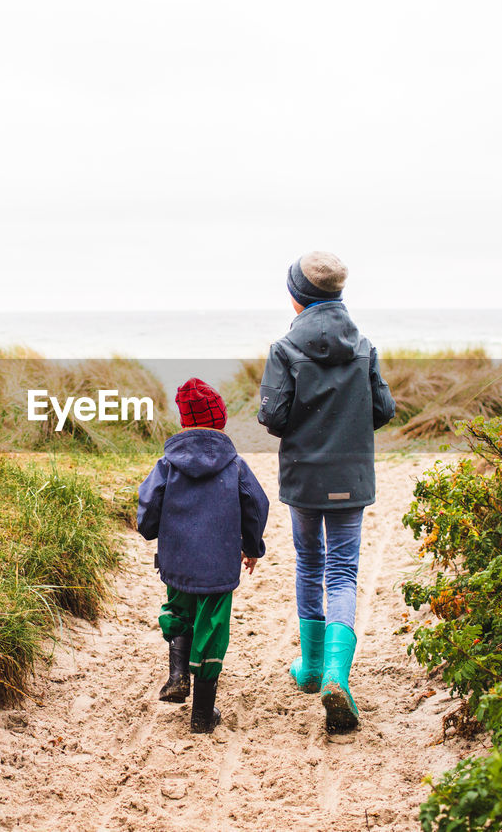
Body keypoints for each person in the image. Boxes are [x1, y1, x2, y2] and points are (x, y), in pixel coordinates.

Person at [257, 252, 396, 733]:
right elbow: (383, 409)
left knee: (310, 562)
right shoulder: (363, 346)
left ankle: (313, 668)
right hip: (351, 475)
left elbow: (272, 418)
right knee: (342, 569)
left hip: (304, 474)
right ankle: (337, 675)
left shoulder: (284, 348)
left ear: (298, 295)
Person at [137, 378, 269, 734]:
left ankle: (177, 675)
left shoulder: (167, 464)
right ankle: (202, 715)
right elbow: (256, 505)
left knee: (178, 611)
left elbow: (149, 505)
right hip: (219, 565)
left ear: (183, 421)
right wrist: (253, 547)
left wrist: (150, 530)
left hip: (177, 560)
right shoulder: (235, 464)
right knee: (212, 629)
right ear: (220, 420)